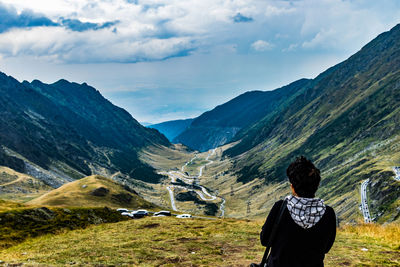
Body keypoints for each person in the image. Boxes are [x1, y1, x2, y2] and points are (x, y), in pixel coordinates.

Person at [259, 156, 336, 267]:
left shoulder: (280, 207)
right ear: (317, 185)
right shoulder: (328, 213)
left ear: (292, 187)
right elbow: (326, 248)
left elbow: (265, 240)